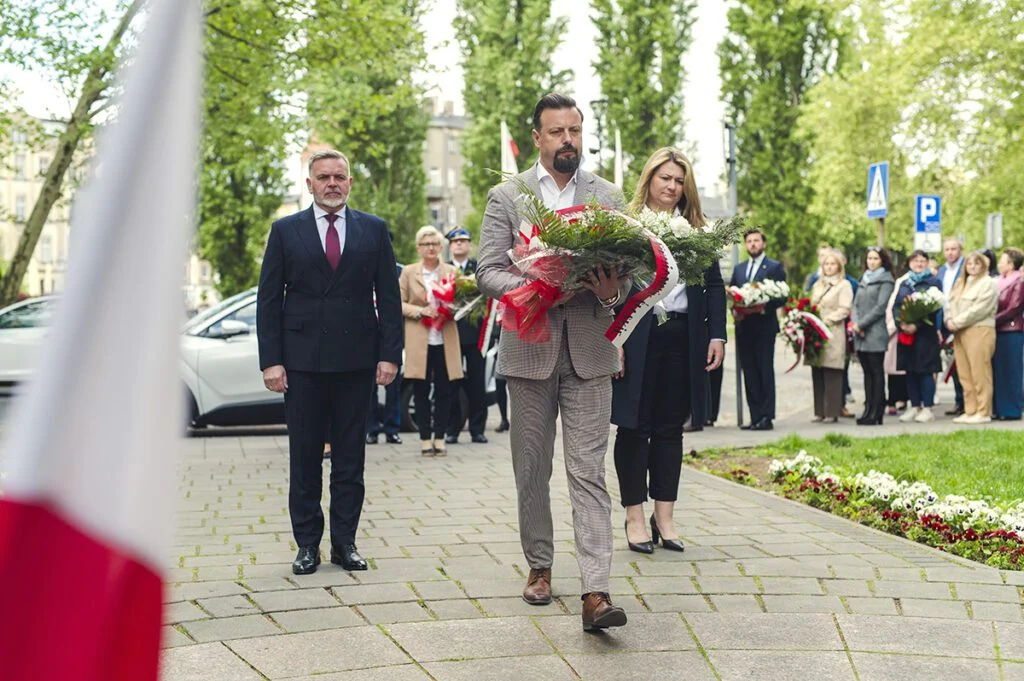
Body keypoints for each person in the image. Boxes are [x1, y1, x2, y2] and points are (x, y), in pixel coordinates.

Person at [476, 93, 629, 631]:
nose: (569, 141)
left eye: (576, 131)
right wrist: (536, 286)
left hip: (590, 352)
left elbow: (628, 273)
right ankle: (539, 566)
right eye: (558, 132)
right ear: (538, 137)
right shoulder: (508, 195)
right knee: (532, 468)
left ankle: (596, 592)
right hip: (529, 349)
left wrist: (612, 292)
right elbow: (487, 269)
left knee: (588, 471)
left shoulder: (607, 195)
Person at [257, 149, 401, 576]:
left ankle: (345, 543)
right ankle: (306, 545)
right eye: (324, 177)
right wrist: (272, 361)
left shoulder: (373, 231)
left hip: (356, 361)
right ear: (310, 184)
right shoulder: (285, 231)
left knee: (350, 459)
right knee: (304, 458)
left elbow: (389, 302)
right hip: (301, 364)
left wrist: (389, 355)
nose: (332, 183)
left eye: (340, 176)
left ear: (350, 182)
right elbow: (269, 301)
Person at [610, 147, 726, 555]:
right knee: (634, 426)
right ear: (650, 180)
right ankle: (635, 516)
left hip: (683, 337)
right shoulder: (628, 227)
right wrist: (616, 342)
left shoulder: (697, 229)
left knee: (670, 428)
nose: (673, 187)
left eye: (679, 181)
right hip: (636, 335)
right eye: (666, 179)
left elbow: (713, 286)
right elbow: (613, 286)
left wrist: (718, 336)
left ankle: (666, 515)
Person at [400, 226, 464, 457]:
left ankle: (440, 437)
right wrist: (420, 311)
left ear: (441, 247)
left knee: (445, 391)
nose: (431, 248)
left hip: (445, 337)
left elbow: (464, 302)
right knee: (421, 389)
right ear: (418, 247)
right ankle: (425, 438)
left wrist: (450, 308)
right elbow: (399, 302)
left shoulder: (451, 272)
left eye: (435, 244)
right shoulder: (408, 272)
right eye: (426, 244)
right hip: (420, 338)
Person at [729, 228, 787, 430]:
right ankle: (754, 416)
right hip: (744, 328)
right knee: (749, 372)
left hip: (764, 326)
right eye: (749, 241)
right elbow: (733, 295)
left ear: (764, 243)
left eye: (756, 240)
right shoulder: (739, 269)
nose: (753, 244)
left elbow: (782, 296)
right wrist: (735, 311)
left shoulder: (774, 267)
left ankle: (766, 416)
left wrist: (763, 308)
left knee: (764, 370)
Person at [444, 227, 489, 445]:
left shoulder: (478, 269)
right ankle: (452, 429)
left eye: (464, 241)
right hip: (451, 333)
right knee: (452, 382)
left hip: (476, 335)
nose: (460, 244)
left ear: (469, 245)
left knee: (477, 384)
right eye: (455, 241)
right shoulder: (444, 270)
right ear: (450, 246)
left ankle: (477, 429)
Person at [946, 251, 998, 423]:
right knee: (965, 373)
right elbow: (950, 303)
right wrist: (949, 320)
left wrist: (957, 321)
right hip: (960, 332)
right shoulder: (961, 283)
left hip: (979, 329)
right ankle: (970, 410)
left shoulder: (988, 283)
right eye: (969, 264)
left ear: (983, 265)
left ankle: (983, 411)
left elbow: (980, 309)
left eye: (977, 264)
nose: (973, 267)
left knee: (980, 372)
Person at [894, 250, 943, 423]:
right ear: (909, 263)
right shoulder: (905, 283)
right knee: (910, 371)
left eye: (922, 261)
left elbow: (934, 308)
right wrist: (901, 323)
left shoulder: (933, 282)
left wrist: (917, 324)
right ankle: (914, 405)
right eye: (915, 261)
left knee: (925, 371)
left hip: (925, 335)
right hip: (906, 334)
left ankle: (927, 407)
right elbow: (897, 306)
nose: (919, 264)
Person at [806, 250, 853, 422]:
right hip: (816, 333)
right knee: (817, 370)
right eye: (826, 264)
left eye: (833, 264)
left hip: (833, 331)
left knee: (832, 371)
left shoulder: (844, 285)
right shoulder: (818, 285)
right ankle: (820, 410)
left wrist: (827, 320)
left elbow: (845, 308)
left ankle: (832, 411)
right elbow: (811, 305)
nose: (829, 267)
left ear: (839, 266)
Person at [851, 247, 896, 425]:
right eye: (869, 258)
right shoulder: (864, 279)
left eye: (875, 259)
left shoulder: (886, 280)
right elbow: (855, 304)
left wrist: (862, 324)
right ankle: (868, 409)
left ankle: (877, 411)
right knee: (867, 374)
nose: (871, 262)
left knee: (877, 373)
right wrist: (856, 323)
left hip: (875, 333)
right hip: (860, 334)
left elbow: (880, 307)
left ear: (882, 261)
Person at [993, 248, 1024, 420]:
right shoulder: (999, 282)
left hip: (1012, 330)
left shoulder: (1019, 281)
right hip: (999, 330)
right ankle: (1000, 408)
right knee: (1000, 371)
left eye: (1003, 261)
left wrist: (993, 320)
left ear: (1011, 265)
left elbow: (1014, 308)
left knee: (1012, 370)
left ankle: (1012, 409)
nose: (999, 264)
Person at [937, 238, 965, 416]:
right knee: (952, 365)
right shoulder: (941, 270)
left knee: (964, 364)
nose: (950, 252)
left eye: (953, 249)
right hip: (944, 322)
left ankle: (967, 401)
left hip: (960, 321)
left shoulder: (965, 269)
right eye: (947, 249)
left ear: (960, 250)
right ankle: (958, 400)